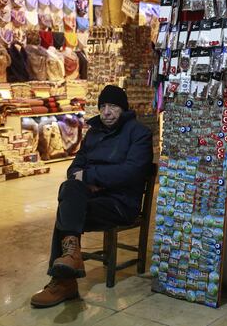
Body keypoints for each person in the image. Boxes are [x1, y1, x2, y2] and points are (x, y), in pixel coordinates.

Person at [31, 85, 153, 308]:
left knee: (66, 213)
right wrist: (84, 179)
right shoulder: (93, 133)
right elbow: (74, 168)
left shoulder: (139, 134)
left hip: (120, 204)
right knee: (69, 191)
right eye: (103, 106)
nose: (106, 112)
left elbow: (131, 172)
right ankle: (71, 258)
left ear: (123, 109)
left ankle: (63, 282)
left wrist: (90, 177)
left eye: (113, 106)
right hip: (92, 199)